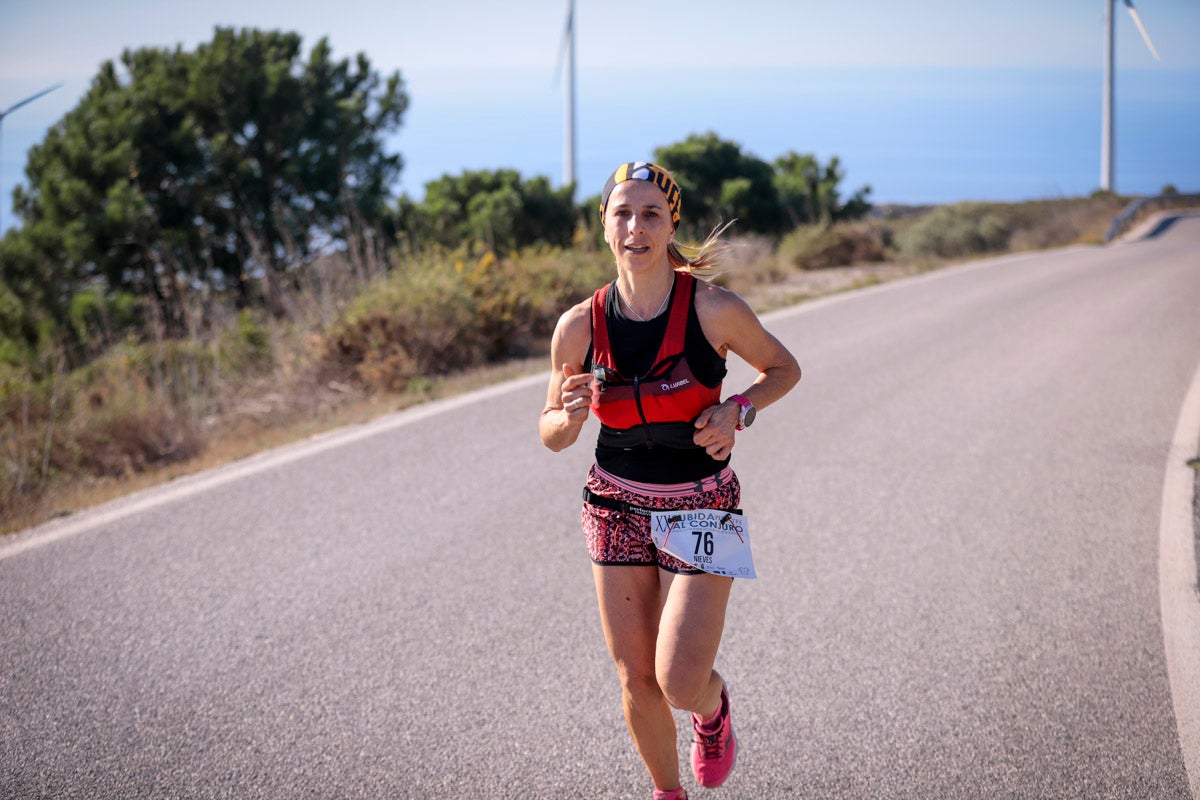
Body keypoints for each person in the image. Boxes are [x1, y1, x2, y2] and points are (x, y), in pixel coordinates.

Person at [539, 162, 801, 799]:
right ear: (605, 226)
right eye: (622, 213)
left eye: (651, 214)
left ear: (671, 225)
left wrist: (737, 410)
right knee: (637, 679)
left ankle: (711, 712)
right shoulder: (579, 325)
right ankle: (667, 793)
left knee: (679, 681)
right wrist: (567, 417)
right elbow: (550, 430)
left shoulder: (713, 309)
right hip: (615, 505)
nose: (636, 226)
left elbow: (783, 368)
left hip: (702, 504)